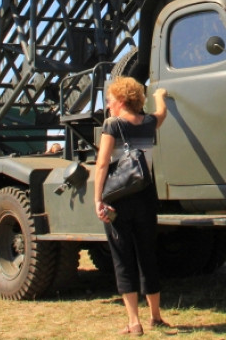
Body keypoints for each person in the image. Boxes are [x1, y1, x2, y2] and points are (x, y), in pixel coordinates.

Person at [94, 78, 173, 335]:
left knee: (122, 257)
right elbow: (161, 113)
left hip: (118, 201)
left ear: (121, 101)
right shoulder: (149, 124)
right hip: (146, 198)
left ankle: (133, 322)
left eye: (110, 101)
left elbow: (103, 164)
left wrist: (98, 199)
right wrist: (159, 94)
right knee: (147, 254)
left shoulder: (112, 125)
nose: (108, 106)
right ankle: (156, 316)